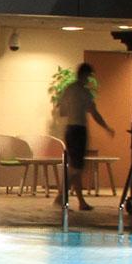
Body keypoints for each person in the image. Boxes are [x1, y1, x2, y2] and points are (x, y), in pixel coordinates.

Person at [54, 64, 115, 211]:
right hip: (78, 130)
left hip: (69, 129)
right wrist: (106, 127)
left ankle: (78, 201)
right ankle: (62, 198)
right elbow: (94, 113)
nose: (89, 79)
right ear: (85, 75)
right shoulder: (83, 92)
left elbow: (61, 111)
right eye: (89, 76)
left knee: (76, 167)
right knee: (77, 168)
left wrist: (73, 109)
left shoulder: (68, 89)